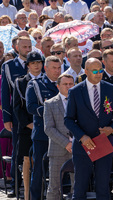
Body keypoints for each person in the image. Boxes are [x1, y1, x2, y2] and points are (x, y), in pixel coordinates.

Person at [64, 58, 113, 200]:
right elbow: (68, 119)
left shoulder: (109, 88)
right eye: (95, 71)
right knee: (80, 187)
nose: (98, 74)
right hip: (84, 145)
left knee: (103, 187)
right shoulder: (76, 91)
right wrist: (81, 136)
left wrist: (112, 128)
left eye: (101, 70)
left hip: (104, 143)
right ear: (86, 71)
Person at [26, 56, 61, 200]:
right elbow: (31, 107)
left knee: (61, 170)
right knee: (39, 171)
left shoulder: (65, 82)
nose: (57, 71)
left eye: (59, 68)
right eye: (54, 68)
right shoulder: (35, 84)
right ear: (45, 68)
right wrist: (50, 110)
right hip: (42, 134)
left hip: (61, 134)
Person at [1, 36, 32, 198]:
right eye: (25, 47)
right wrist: (7, 118)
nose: (28, 49)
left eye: (29, 46)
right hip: (17, 115)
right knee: (17, 150)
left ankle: (33, 182)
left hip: (34, 115)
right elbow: (5, 93)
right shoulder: (8, 66)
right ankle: (15, 184)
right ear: (16, 48)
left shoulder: (37, 63)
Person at [13, 52, 43, 200]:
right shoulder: (20, 82)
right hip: (27, 128)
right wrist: (29, 124)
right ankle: (26, 195)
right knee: (27, 159)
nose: (37, 65)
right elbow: (17, 107)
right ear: (28, 65)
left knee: (42, 159)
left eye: (39, 62)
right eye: (33, 63)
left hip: (44, 127)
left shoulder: (46, 80)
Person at [44, 74, 74, 200]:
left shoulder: (80, 102)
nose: (68, 87)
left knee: (77, 186)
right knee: (54, 187)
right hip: (58, 150)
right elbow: (48, 128)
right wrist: (66, 143)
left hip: (77, 149)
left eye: (70, 84)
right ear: (58, 86)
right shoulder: (50, 104)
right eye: (65, 84)